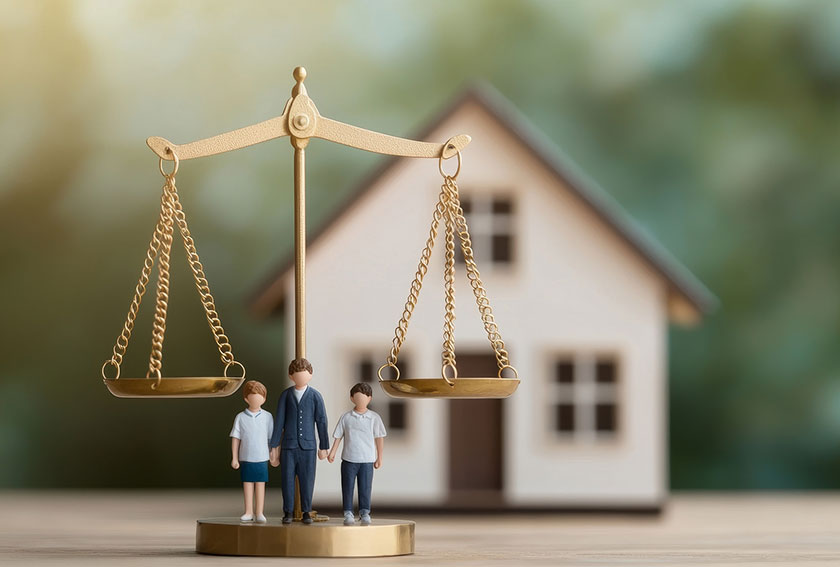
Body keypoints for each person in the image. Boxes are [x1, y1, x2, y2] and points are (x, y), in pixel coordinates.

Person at [269, 358, 329, 525]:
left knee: (307, 480)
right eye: (297, 375)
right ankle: (288, 511)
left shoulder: (315, 396)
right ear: (290, 376)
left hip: (308, 447)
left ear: (310, 375)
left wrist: (324, 446)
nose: (301, 378)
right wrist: (274, 445)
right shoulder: (286, 395)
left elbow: (322, 421)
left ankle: (306, 511)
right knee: (287, 480)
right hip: (288, 446)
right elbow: (279, 421)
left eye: (304, 375)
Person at [327, 382, 386, 526]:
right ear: (352, 398)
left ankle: (365, 511)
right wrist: (333, 452)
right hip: (349, 458)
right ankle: (348, 512)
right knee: (347, 486)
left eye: (364, 398)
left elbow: (379, 438)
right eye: (358, 398)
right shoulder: (346, 417)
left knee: (365, 487)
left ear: (369, 399)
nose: (361, 401)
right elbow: (338, 436)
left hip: (367, 459)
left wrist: (380, 457)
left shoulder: (374, 418)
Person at [230, 380, 273, 523]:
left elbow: (272, 438)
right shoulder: (240, 417)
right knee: (247, 484)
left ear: (264, 399)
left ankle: (259, 512)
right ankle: (248, 511)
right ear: (246, 399)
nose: (256, 400)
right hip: (246, 457)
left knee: (260, 484)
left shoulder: (267, 417)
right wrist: (234, 458)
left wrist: (274, 455)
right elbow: (236, 438)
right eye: (253, 397)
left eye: (260, 397)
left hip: (262, 457)